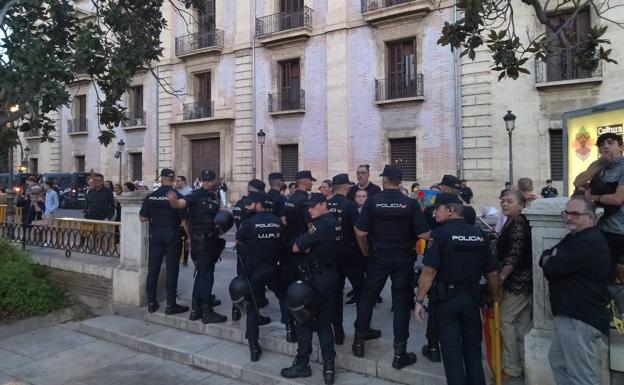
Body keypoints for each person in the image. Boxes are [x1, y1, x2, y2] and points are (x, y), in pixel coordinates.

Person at [414, 192, 500, 385]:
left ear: (451, 210)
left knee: (452, 354)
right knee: (473, 351)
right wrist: (495, 297)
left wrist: (419, 300)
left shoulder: (440, 234)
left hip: (447, 301)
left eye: (438, 209)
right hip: (471, 299)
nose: (434, 213)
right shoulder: (480, 234)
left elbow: (429, 271)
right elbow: (493, 273)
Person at [352, 164, 430, 369]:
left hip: (378, 258)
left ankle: (358, 343)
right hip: (403, 259)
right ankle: (399, 353)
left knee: (367, 299)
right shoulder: (410, 204)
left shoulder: (373, 202)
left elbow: (360, 233)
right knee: (402, 303)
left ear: (385, 180)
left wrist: (366, 251)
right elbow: (424, 235)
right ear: (400, 181)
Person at [540, 197, 611, 385]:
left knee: (582, 377)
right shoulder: (574, 237)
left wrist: (552, 260)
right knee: (558, 363)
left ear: (591, 217)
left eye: (575, 214)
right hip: (569, 315)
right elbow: (545, 256)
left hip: (579, 317)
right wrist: (551, 259)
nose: (569, 217)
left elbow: (553, 267)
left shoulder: (589, 241)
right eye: (567, 213)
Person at [280, 193, 340, 384]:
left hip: (315, 278)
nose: (310, 210)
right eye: (308, 207)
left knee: (304, 321)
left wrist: (303, 245)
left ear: (324, 204)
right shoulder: (336, 222)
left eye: (314, 206)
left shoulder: (320, 226)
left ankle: (302, 363)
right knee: (324, 322)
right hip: (330, 275)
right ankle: (329, 367)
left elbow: (296, 247)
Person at [421, 175, 475, 363]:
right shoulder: (467, 209)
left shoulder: (436, 207)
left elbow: (425, 229)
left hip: (440, 257)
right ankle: (439, 345)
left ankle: (434, 346)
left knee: (437, 303)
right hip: (465, 264)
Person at [167, 169, 227, 324]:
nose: (206, 182)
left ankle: (196, 309)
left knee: (203, 274)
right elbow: (182, 203)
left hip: (211, 240)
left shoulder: (215, 195)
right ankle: (206, 312)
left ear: (214, 181)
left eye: (209, 180)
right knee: (205, 276)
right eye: (204, 180)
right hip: (201, 241)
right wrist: (174, 202)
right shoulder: (196, 194)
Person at [234, 190, 288, 362]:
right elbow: (282, 242)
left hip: (255, 269)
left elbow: (239, 243)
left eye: (250, 204)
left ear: (258, 204)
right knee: (283, 297)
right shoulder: (276, 221)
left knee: (252, 306)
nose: (247, 207)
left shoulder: (248, 223)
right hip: (273, 267)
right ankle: (290, 330)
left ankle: (253, 348)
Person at [574, 132, 624, 282]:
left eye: (610, 143)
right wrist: (599, 165)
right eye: (602, 145)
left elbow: (617, 199)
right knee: (603, 273)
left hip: (620, 231)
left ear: (620, 146)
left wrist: (592, 197)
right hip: (601, 228)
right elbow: (577, 182)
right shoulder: (597, 166)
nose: (606, 147)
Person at [140, 168, 190, 315]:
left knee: (153, 269)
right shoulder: (177, 196)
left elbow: (142, 218)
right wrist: (189, 238)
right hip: (172, 235)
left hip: (155, 235)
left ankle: (151, 303)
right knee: (172, 270)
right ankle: (170, 304)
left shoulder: (151, 196)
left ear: (161, 179)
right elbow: (184, 222)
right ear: (173, 180)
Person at [497, 190, 532, 380]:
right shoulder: (511, 221)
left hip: (519, 280)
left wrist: (501, 278)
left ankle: (512, 367)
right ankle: (525, 364)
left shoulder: (518, 222)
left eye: (509, 201)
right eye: (502, 200)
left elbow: (514, 253)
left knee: (505, 319)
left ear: (521, 205)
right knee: (521, 324)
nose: (504, 204)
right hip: (520, 279)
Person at [280, 170, 316, 342]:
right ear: (305, 182)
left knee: (289, 284)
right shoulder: (304, 202)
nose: (312, 184)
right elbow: (310, 227)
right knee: (304, 285)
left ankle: (289, 326)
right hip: (302, 246)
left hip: (289, 244)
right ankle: (305, 320)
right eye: (311, 181)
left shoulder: (290, 200)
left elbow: (284, 221)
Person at [326, 174, 362, 344]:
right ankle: (362, 329)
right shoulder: (349, 204)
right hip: (350, 253)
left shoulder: (326, 203)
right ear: (346, 187)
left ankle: (338, 332)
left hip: (332, 253)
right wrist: (365, 251)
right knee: (362, 291)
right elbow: (358, 230)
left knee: (336, 294)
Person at [231, 179, 269, 321]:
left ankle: (236, 310)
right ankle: (255, 310)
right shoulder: (252, 206)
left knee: (240, 278)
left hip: (241, 247)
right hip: (253, 248)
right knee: (254, 282)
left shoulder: (239, 204)